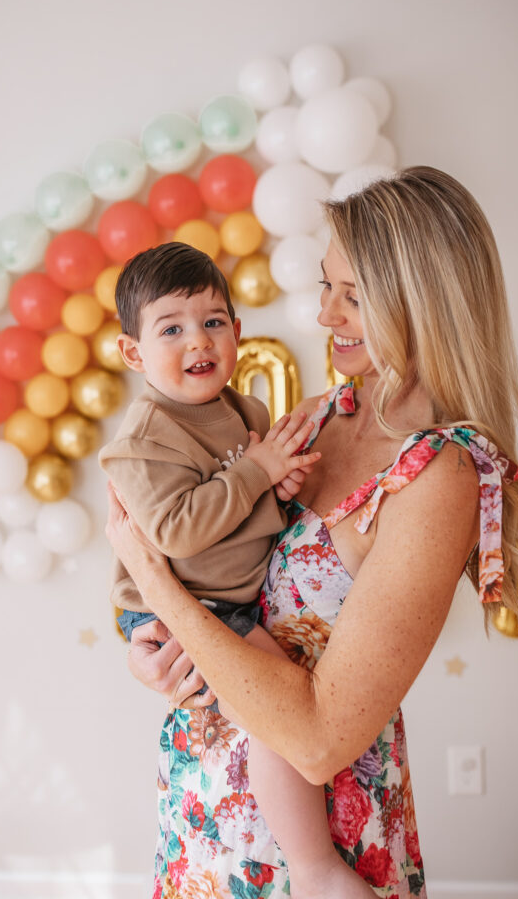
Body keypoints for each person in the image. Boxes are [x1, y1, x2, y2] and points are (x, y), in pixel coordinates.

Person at [105, 166, 518, 899]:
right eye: (325, 288)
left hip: (316, 848)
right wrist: (156, 655)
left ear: (421, 304)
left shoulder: (437, 472)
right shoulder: (321, 415)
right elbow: (219, 574)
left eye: (352, 297)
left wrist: (157, 587)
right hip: (208, 810)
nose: (325, 317)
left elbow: (318, 739)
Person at [99, 241, 375, 897]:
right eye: (171, 328)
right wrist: (256, 474)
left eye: (213, 321)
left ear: (237, 333)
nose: (197, 340)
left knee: (278, 712)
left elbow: (244, 508)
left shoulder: (247, 413)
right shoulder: (142, 444)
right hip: (189, 604)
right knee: (282, 718)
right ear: (133, 354)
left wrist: (277, 489)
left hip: (227, 594)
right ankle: (314, 872)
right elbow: (175, 531)